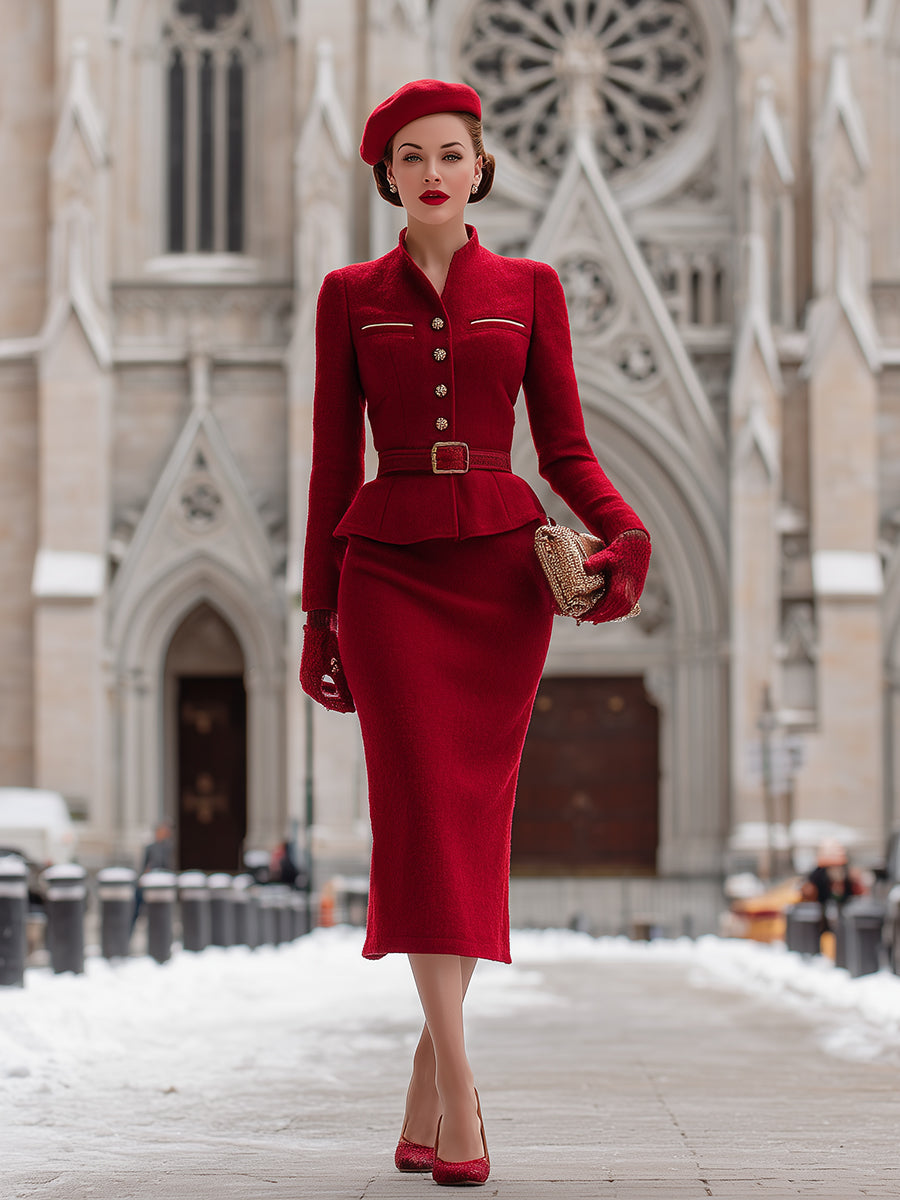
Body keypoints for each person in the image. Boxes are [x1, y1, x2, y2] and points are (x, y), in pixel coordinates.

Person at [299, 79, 650, 1186]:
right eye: (412, 157)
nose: (434, 170)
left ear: (482, 166)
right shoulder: (348, 294)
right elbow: (325, 466)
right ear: (388, 178)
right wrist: (318, 612)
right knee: (417, 823)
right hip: (388, 576)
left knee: (466, 829)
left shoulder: (532, 287)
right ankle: (461, 1094)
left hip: (498, 581)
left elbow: (567, 449)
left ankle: (426, 1095)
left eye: (452, 151)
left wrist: (624, 531)